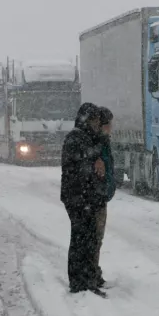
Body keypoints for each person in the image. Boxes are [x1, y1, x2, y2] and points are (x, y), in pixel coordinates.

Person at [60, 102, 108, 297]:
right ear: (87, 120)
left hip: (85, 197)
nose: (98, 124)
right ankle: (80, 282)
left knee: (88, 239)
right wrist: (95, 157)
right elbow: (80, 162)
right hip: (78, 197)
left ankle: (87, 280)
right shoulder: (76, 138)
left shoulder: (87, 137)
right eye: (95, 120)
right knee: (81, 240)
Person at [93, 107, 117, 289]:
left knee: (97, 238)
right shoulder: (95, 143)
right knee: (94, 237)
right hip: (95, 197)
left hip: (101, 196)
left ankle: (94, 272)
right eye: (108, 124)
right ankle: (92, 273)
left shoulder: (103, 141)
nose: (110, 127)